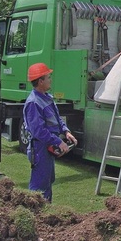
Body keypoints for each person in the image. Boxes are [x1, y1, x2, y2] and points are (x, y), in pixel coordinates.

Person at [23, 62, 78, 202]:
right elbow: (38, 131)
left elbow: (56, 117)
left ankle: (46, 214)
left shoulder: (46, 97)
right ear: (40, 81)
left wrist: (66, 132)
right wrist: (58, 141)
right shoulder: (33, 103)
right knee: (39, 185)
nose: (50, 80)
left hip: (47, 146)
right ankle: (35, 215)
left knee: (48, 180)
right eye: (48, 77)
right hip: (40, 147)